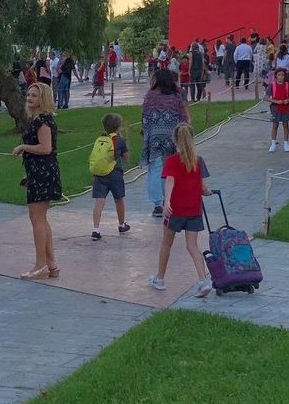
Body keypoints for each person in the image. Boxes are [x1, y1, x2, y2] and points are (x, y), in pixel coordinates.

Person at [149, 123, 214, 299]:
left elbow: (170, 181)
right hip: (194, 210)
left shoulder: (171, 161)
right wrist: (208, 191)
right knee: (192, 245)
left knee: (166, 243)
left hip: (175, 210)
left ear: (175, 140)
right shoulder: (198, 160)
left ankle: (160, 278)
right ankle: (203, 280)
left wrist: (167, 201)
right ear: (192, 138)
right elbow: (203, 187)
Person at [12, 82, 62, 279]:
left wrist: (23, 147)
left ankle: (40, 264)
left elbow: (45, 148)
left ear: (43, 99)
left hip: (43, 174)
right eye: (29, 94)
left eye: (34, 95)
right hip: (38, 173)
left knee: (37, 219)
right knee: (40, 218)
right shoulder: (38, 120)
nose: (29, 98)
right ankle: (51, 264)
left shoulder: (43, 121)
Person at [140, 68, 190, 218]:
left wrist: (147, 132)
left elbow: (145, 117)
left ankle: (157, 205)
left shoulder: (150, 95)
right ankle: (168, 200)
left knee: (155, 170)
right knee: (169, 170)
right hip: (172, 137)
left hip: (154, 137)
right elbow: (183, 117)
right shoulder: (176, 95)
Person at [89, 112, 131, 240]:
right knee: (119, 199)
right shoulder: (119, 140)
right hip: (115, 173)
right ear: (118, 127)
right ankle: (121, 224)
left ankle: (96, 229)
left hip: (99, 174)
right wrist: (126, 144)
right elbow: (126, 158)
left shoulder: (100, 139)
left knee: (99, 201)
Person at [268, 67, 289, 152]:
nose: (281, 77)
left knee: (285, 125)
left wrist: (288, 100)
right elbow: (266, 97)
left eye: (282, 75)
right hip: (275, 108)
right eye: (279, 75)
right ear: (276, 76)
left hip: (285, 108)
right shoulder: (272, 85)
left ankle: (286, 143)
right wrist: (276, 101)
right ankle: (273, 143)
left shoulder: (288, 85)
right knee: (275, 125)